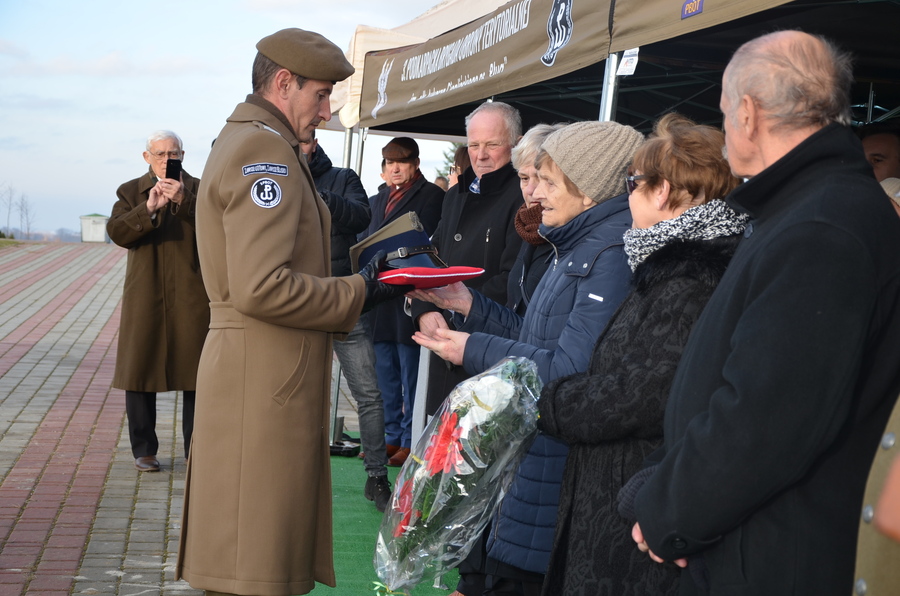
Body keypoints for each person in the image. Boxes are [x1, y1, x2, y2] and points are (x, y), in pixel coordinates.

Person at [630, 31, 900, 595]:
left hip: (771, 557)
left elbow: (762, 422)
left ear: (748, 113)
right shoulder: (806, 207)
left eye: (725, 111)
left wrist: (668, 517)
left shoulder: (821, 225)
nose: (725, 124)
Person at [175, 28, 406, 596]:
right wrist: (360, 289)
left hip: (259, 373)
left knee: (251, 557)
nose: (326, 113)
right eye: (321, 95)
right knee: (252, 564)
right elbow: (261, 286)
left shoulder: (258, 143)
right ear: (284, 83)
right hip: (262, 380)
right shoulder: (263, 151)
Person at [412, 120, 643, 596]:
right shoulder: (576, 242)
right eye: (531, 179)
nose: (535, 194)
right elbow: (532, 335)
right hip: (533, 464)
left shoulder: (608, 252)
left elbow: (567, 371)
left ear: (590, 188)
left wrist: (470, 348)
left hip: (554, 469)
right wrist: (467, 304)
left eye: (549, 182)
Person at [538, 113, 746, 596]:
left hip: (636, 503)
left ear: (663, 190)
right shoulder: (668, 262)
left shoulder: (691, 275)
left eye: (633, 181)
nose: (627, 193)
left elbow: (643, 393)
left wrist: (548, 401)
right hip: (623, 493)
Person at [410, 101, 525, 418]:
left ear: (515, 145)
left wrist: (453, 312)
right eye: (474, 145)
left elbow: (512, 279)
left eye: (492, 144)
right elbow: (431, 260)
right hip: (442, 345)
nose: (481, 154)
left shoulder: (524, 198)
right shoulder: (455, 195)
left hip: (487, 354)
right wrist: (424, 310)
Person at [301, 133, 391, 512]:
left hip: (345, 301)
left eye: (303, 140)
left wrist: (322, 199)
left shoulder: (343, 176)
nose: (297, 145)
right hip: (301, 303)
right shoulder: (277, 178)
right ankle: (298, 474)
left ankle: (377, 476)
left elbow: (361, 216)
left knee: (368, 394)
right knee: (299, 395)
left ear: (314, 141)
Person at [108, 130, 208, 472]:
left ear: (183, 154)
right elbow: (118, 233)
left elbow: (216, 227)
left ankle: (196, 448)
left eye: (173, 153)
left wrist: (184, 201)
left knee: (198, 372)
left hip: (192, 291)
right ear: (146, 157)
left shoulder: (199, 188)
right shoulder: (129, 191)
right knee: (139, 368)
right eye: (160, 153)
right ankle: (144, 450)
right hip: (145, 292)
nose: (167, 159)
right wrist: (147, 208)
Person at [363, 137, 444, 468]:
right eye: (388, 162)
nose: (394, 168)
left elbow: (429, 242)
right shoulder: (374, 200)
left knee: (411, 373)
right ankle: (391, 437)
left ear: (416, 164)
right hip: (379, 296)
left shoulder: (433, 197)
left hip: (411, 293)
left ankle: (411, 440)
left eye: (402, 162)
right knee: (385, 373)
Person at [507, 123, 565, 316]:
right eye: (524, 178)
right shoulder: (527, 227)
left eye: (541, 178)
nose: (531, 190)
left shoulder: (570, 233)